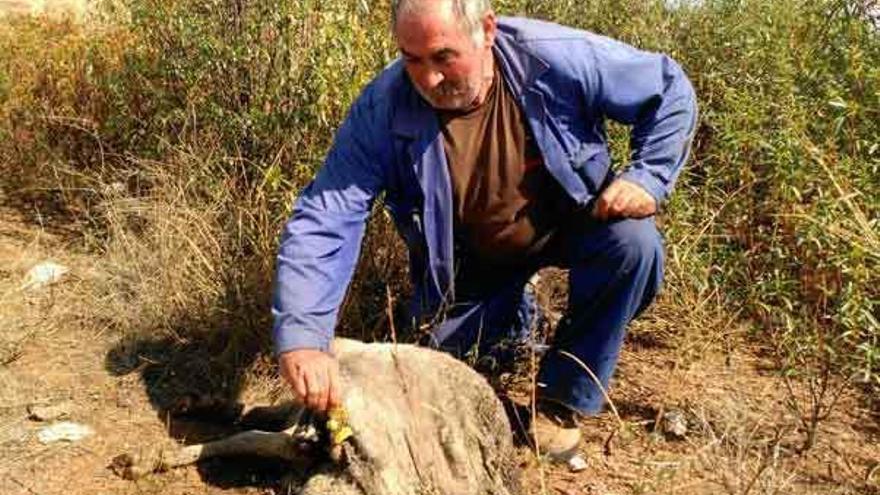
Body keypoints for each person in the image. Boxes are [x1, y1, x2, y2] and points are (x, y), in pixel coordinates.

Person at [273, 0, 697, 460]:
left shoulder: (555, 57)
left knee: (634, 245)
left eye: (442, 57)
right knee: (431, 381)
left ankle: (560, 398)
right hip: (472, 259)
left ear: (486, 31)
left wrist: (647, 175)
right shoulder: (384, 104)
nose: (428, 79)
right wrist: (304, 337)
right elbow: (327, 215)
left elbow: (668, 88)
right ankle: (517, 319)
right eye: (412, 59)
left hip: (572, 222)